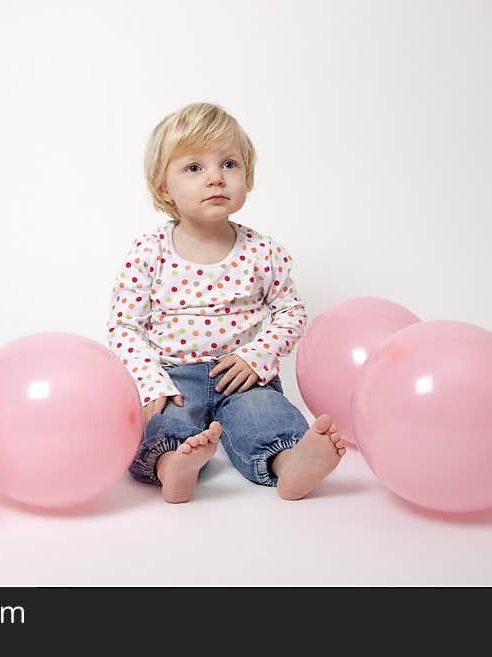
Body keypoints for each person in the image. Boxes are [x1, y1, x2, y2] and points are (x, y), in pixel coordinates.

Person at [106, 102, 346, 504]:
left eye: (229, 164)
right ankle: (174, 469)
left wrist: (257, 356)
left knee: (265, 416)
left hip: (243, 375)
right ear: (164, 187)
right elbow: (123, 326)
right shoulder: (149, 252)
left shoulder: (262, 251)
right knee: (165, 424)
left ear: (246, 179)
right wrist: (150, 383)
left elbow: (290, 313)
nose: (215, 178)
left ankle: (290, 465)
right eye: (194, 168)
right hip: (174, 376)